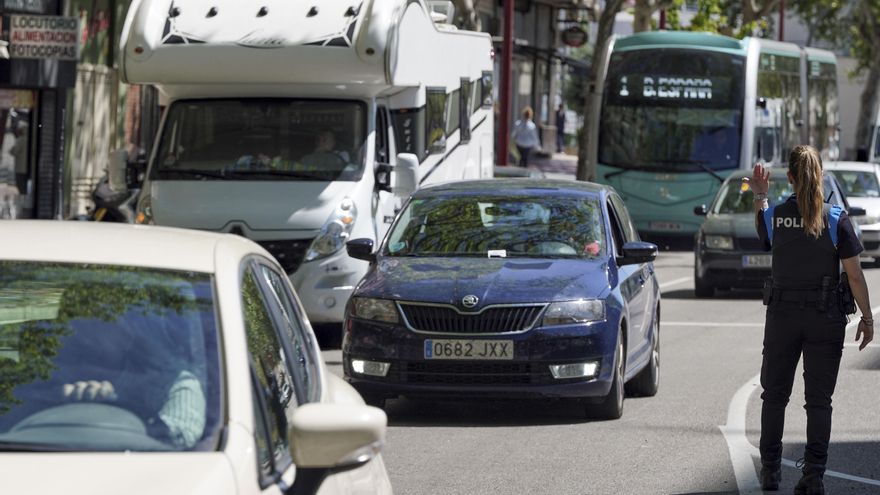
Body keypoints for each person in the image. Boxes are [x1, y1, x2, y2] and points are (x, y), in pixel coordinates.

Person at [749, 145, 874, 494]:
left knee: (774, 396)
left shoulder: (775, 216)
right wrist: (867, 318)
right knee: (819, 402)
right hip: (825, 319)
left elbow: (762, 223)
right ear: (820, 176)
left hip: (782, 319)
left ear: (789, 177)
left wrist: (760, 195)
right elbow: (854, 276)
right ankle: (814, 475)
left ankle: (771, 471)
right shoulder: (836, 218)